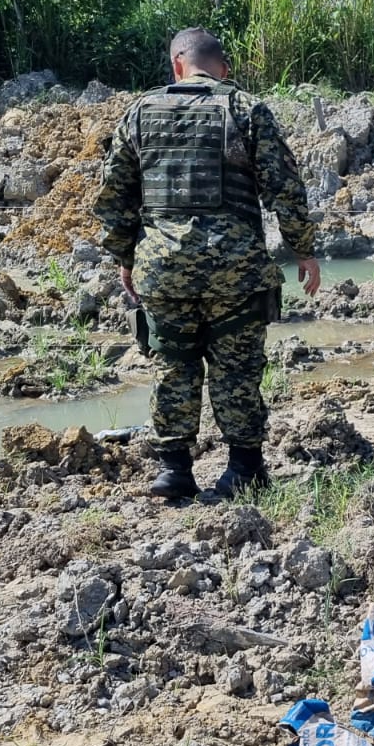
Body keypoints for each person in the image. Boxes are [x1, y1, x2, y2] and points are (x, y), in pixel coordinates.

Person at [95, 27, 322, 499]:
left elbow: (114, 196)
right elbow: (285, 188)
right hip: (234, 270)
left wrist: (125, 255)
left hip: (163, 269)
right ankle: (243, 469)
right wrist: (303, 248)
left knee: (173, 367)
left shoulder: (140, 113)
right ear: (221, 67)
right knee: (236, 369)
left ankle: (174, 470)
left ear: (177, 65)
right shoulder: (245, 109)